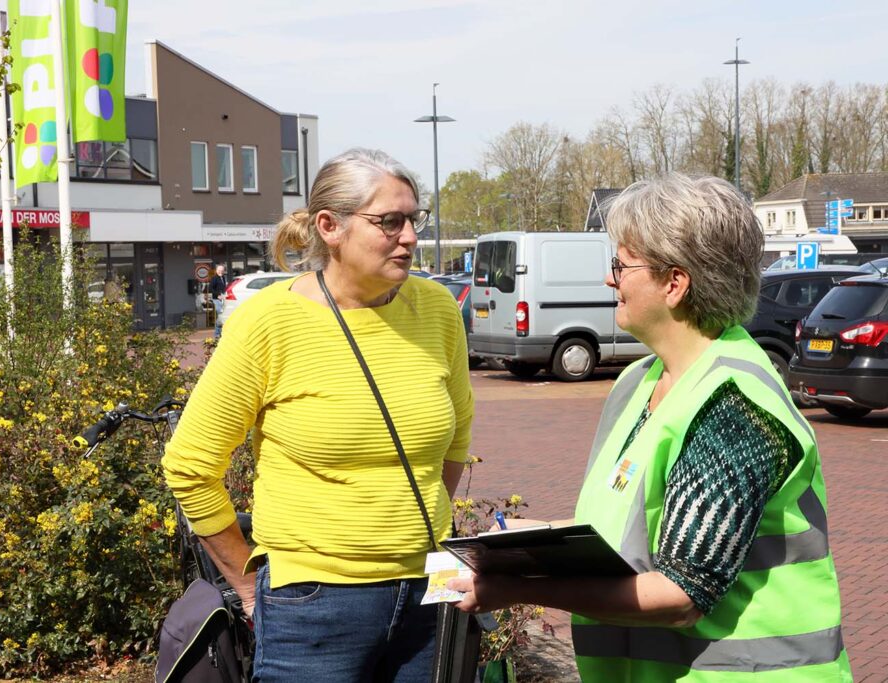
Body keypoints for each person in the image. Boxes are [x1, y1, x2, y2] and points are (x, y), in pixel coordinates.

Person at [449, 173, 852, 681]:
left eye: (620, 264)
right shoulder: (642, 380)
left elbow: (682, 595)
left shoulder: (734, 407)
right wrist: (536, 539)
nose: (609, 279)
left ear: (674, 283)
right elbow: (638, 530)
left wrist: (521, 586)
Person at [162, 148, 474, 682]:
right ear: (330, 227)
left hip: (430, 593)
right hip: (314, 605)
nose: (410, 238)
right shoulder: (268, 321)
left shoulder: (438, 310)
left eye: (414, 220)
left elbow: (453, 443)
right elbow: (191, 465)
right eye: (389, 222)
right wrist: (246, 586)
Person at [208, 264, 229, 340]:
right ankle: (217, 333)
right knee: (220, 314)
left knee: (222, 315)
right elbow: (210, 288)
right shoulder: (214, 278)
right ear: (216, 271)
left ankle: (220, 333)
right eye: (219, 270)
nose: (221, 272)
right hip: (217, 299)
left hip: (223, 299)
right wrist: (217, 295)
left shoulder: (223, 277)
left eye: (222, 270)